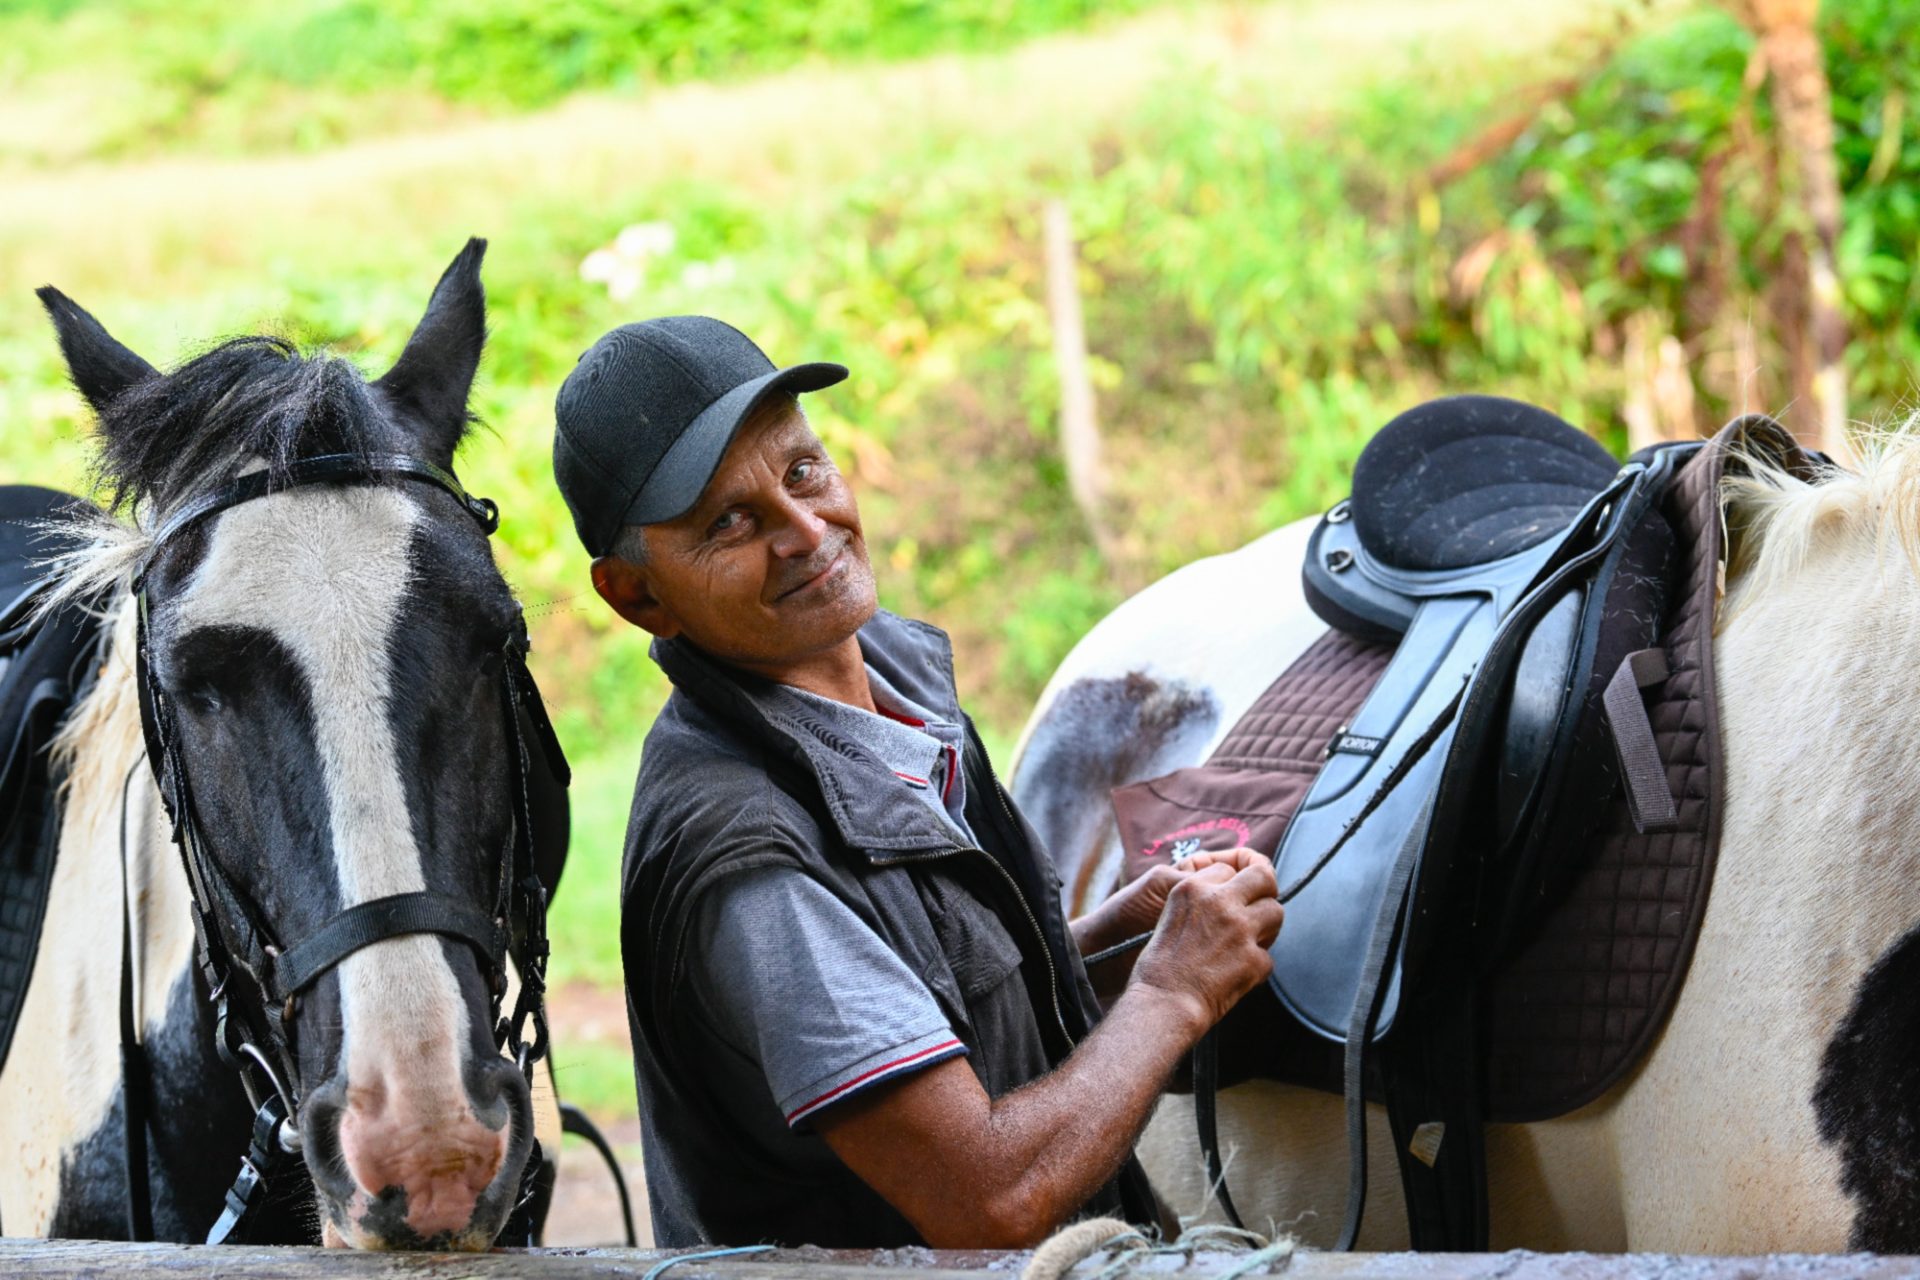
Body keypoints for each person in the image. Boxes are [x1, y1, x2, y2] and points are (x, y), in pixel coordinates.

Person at [551, 316, 1283, 1249]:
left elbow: (944, 1016)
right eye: (729, 522)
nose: (807, 530)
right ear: (637, 596)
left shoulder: (893, 684)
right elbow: (982, 1198)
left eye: (803, 471)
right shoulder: (748, 852)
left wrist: (1106, 945)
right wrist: (1174, 990)